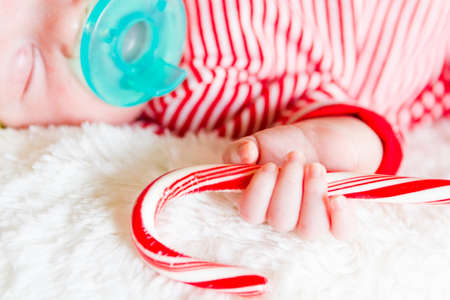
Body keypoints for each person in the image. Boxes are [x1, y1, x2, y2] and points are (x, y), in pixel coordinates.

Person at [1, 0, 449, 240]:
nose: (70, 19)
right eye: (26, 68)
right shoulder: (186, 105)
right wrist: (321, 147)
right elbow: (348, 124)